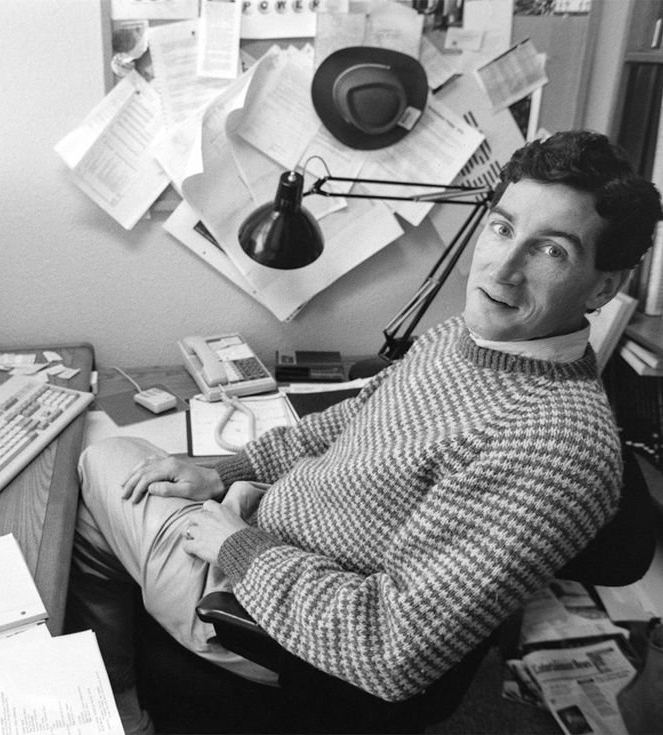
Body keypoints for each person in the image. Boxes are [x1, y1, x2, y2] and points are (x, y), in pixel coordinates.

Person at [65, 130, 663, 734]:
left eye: (551, 251)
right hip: (266, 533)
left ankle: (120, 711)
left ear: (604, 287)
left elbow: (389, 649)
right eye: (503, 228)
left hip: (266, 620)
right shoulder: (466, 339)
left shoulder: (554, 448)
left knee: (98, 459)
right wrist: (224, 472)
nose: (502, 270)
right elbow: (358, 415)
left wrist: (235, 547)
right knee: (141, 461)